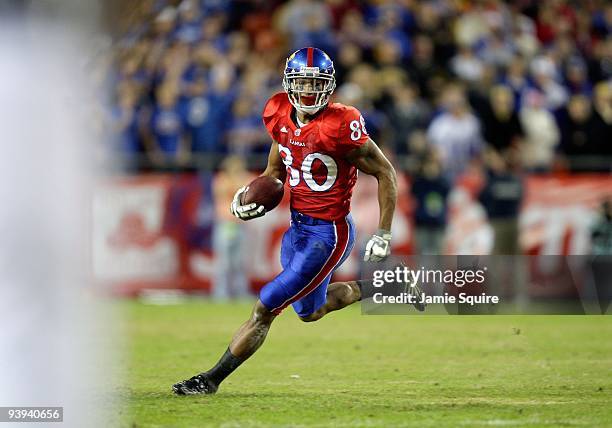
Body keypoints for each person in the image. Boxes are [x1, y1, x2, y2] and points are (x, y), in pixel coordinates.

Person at [172, 47, 418, 395]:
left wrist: (384, 232)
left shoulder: (341, 123)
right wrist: (252, 195)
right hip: (297, 228)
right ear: (288, 83)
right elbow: (275, 172)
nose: (307, 91)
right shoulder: (279, 114)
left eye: (315, 83)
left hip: (328, 233)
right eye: (301, 82)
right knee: (309, 312)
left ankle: (210, 380)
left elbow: (386, 172)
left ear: (329, 86)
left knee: (266, 308)